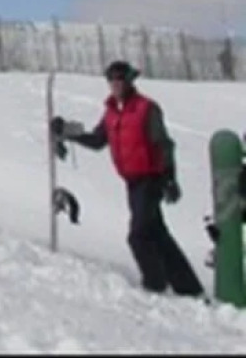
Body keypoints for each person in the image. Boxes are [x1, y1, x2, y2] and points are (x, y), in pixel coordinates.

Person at [50, 60, 204, 298]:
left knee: (138, 235)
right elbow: (98, 140)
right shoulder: (112, 112)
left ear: (130, 80)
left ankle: (154, 285)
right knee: (156, 233)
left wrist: (170, 178)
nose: (115, 84)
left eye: (120, 79)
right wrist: (67, 133)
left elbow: (163, 144)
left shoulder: (146, 109)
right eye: (111, 79)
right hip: (132, 182)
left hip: (151, 179)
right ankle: (189, 288)